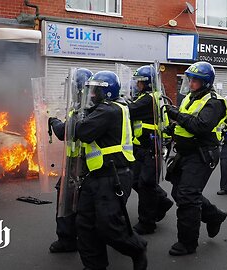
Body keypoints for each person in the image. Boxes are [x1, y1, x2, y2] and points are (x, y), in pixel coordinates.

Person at [75, 70, 147, 270]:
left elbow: (83, 132)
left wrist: (63, 123)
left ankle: (137, 249)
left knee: (108, 227)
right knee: (85, 224)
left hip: (112, 175)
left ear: (106, 93)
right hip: (96, 174)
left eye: (95, 91)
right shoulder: (108, 107)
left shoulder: (108, 110)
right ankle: (94, 266)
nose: (91, 95)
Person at [164, 61, 227, 256]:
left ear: (206, 83)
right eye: (190, 79)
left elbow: (200, 126)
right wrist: (172, 129)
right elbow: (185, 124)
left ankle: (187, 243)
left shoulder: (214, 103)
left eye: (195, 81)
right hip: (185, 152)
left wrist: (177, 115)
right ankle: (214, 215)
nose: (190, 84)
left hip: (202, 154)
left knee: (187, 196)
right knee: (178, 192)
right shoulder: (189, 98)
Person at [48, 68, 92, 253]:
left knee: (66, 200)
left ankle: (67, 240)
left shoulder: (84, 109)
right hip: (83, 163)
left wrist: (54, 121)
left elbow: (65, 131)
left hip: (80, 164)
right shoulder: (84, 106)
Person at [128, 65, 174, 235]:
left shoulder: (149, 98)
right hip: (141, 146)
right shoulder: (145, 96)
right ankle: (162, 201)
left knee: (146, 184)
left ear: (147, 83)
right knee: (135, 181)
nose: (136, 84)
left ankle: (147, 222)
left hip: (150, 147)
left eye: (139, 82)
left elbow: (129, 110)